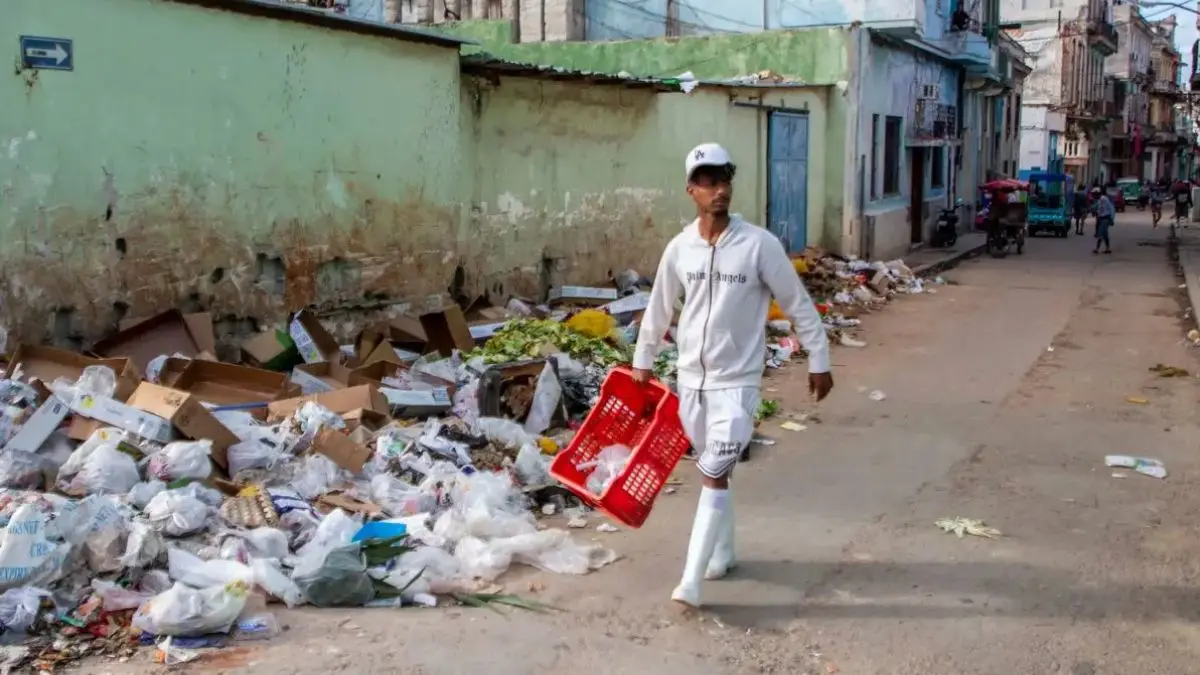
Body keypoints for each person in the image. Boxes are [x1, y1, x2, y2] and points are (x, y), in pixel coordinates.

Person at [631, 143, 833, 609]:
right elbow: (659, 306)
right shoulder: (680, 248)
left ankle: (691, 581)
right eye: (708, 181)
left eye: (724, 179)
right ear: (692, 189)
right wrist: (643, 359)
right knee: (714, 470)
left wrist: (819, 358)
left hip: (737, 384)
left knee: (713, 472)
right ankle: (723, 554)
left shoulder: (758, 245)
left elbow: (797, 302)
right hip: (690, 382)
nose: (718, 189)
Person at [1092, 187, 1114, 255]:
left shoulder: (1104, 199)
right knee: (1105, 235)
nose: (1094, 196)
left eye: (1094, 194)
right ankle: (1108, 248)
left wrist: (1111, 218)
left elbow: (1110, 208)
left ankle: (1097, 249)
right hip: (1101, 219)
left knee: (1100, 233)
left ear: (1098, 194)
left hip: (1105, 218)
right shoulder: (1099, 201)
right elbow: (1098, 209)